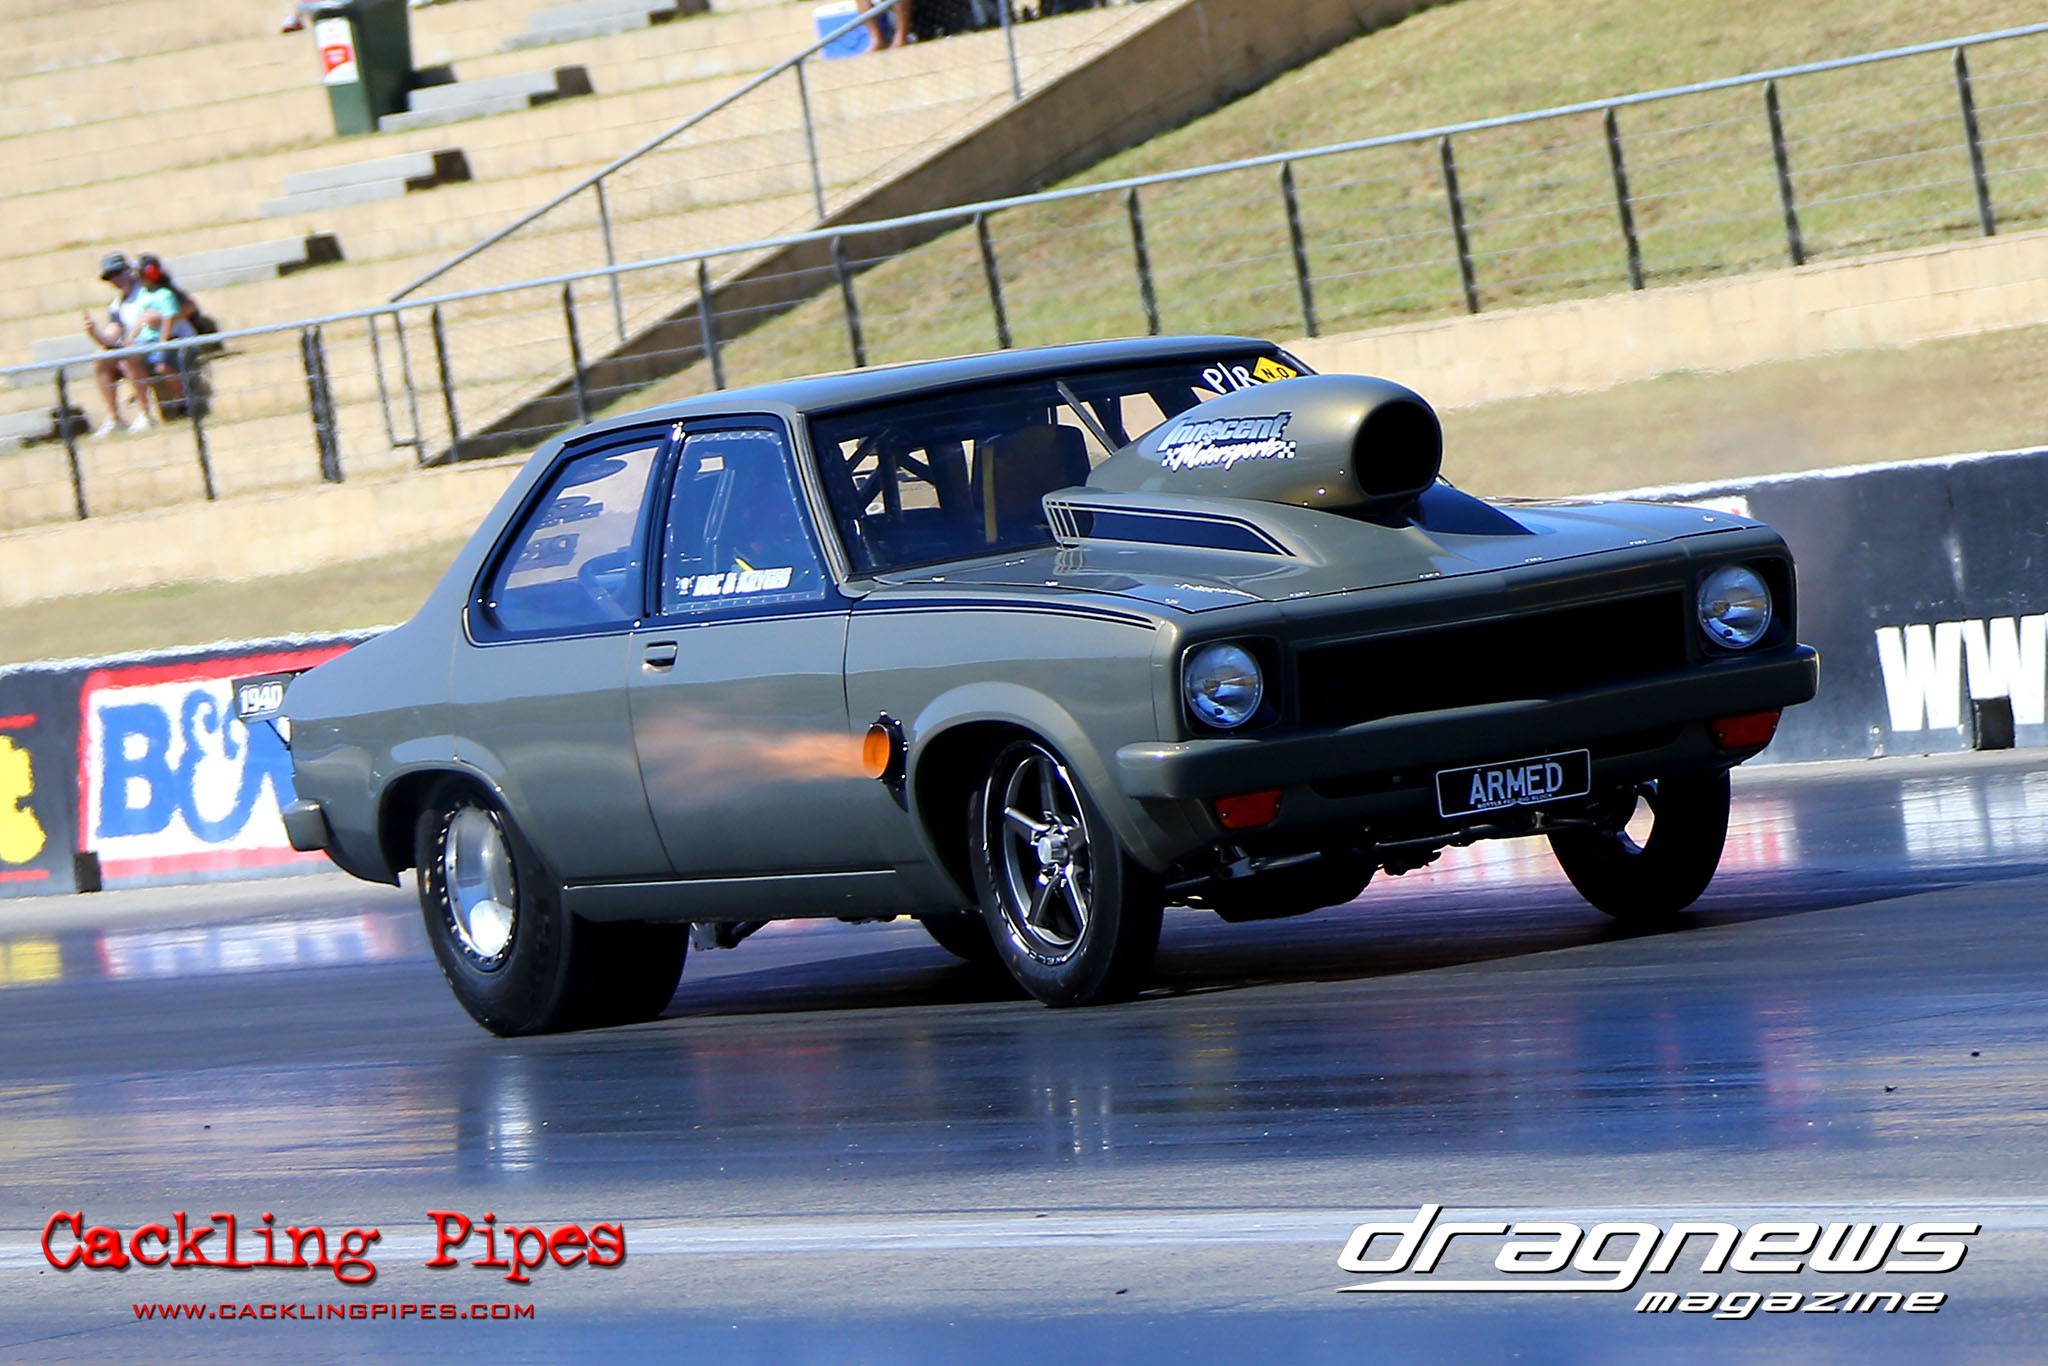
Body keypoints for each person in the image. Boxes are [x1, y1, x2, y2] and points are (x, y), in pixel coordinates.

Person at [79, 252, 158, 437]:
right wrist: (94, 332)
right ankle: (115, 418)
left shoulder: (147, 291)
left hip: (154, 344)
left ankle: (145, 414)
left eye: (118, 273)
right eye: (111, 276)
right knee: (101, 357)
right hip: (133, 350)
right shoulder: (117, 305)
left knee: (128, 354)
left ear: (129, 270)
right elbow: (111, 338)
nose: (116, 280)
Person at [131, 254, 201, 419]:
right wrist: (131, 338)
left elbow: (172, 316)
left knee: (162, 366)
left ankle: (185, 398)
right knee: (131, 361)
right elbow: (142, 318)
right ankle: (143, 410)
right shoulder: (143, 294)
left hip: (170, 339)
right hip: (147, 340)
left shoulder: (167, 294)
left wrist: (163, 341)